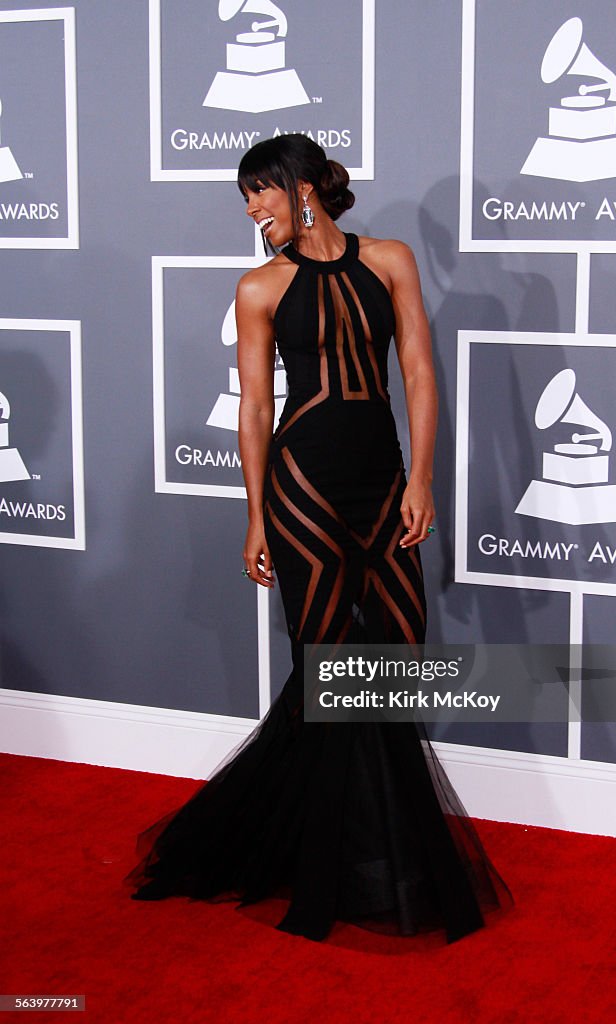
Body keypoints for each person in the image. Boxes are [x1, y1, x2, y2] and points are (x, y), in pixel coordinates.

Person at [125, 134, 513, 943]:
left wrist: (422, 478)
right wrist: (255, 515)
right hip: (302, 489)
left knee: (392, 665)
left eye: (259, 193)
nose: (251, 209)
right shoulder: (258, 287)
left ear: (302, 188)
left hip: (382, 484)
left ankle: (316, 837)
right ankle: (345, 871)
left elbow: (416, 372)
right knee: (329, 669)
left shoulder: (391, 260)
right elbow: (257, 409)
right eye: (246, 199)